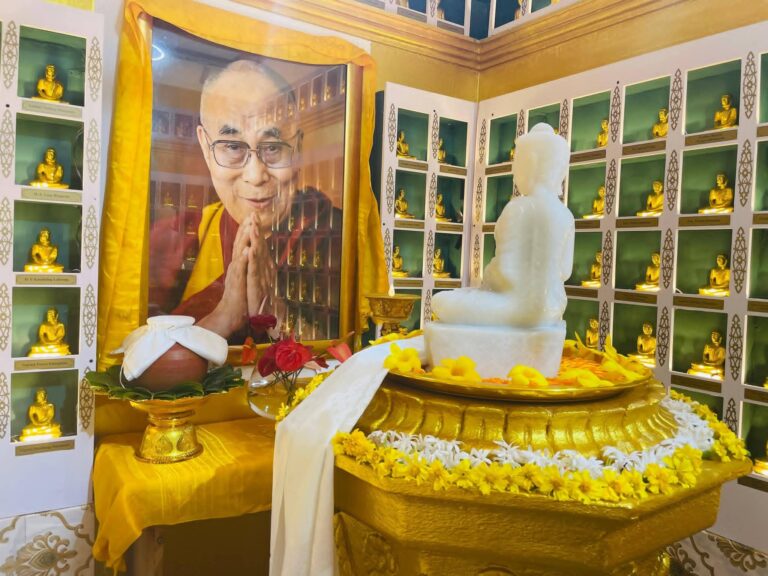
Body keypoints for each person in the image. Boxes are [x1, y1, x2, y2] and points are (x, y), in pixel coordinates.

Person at [149, 60, 337, 341]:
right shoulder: (174, 239)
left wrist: (276, 313)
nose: (255, 176)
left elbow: (357, 352)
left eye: (273, 148)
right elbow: (138, 356)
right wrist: (223, 317)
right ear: (206, 148)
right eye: (233, 147)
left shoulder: (335, 235)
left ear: (297, 148)